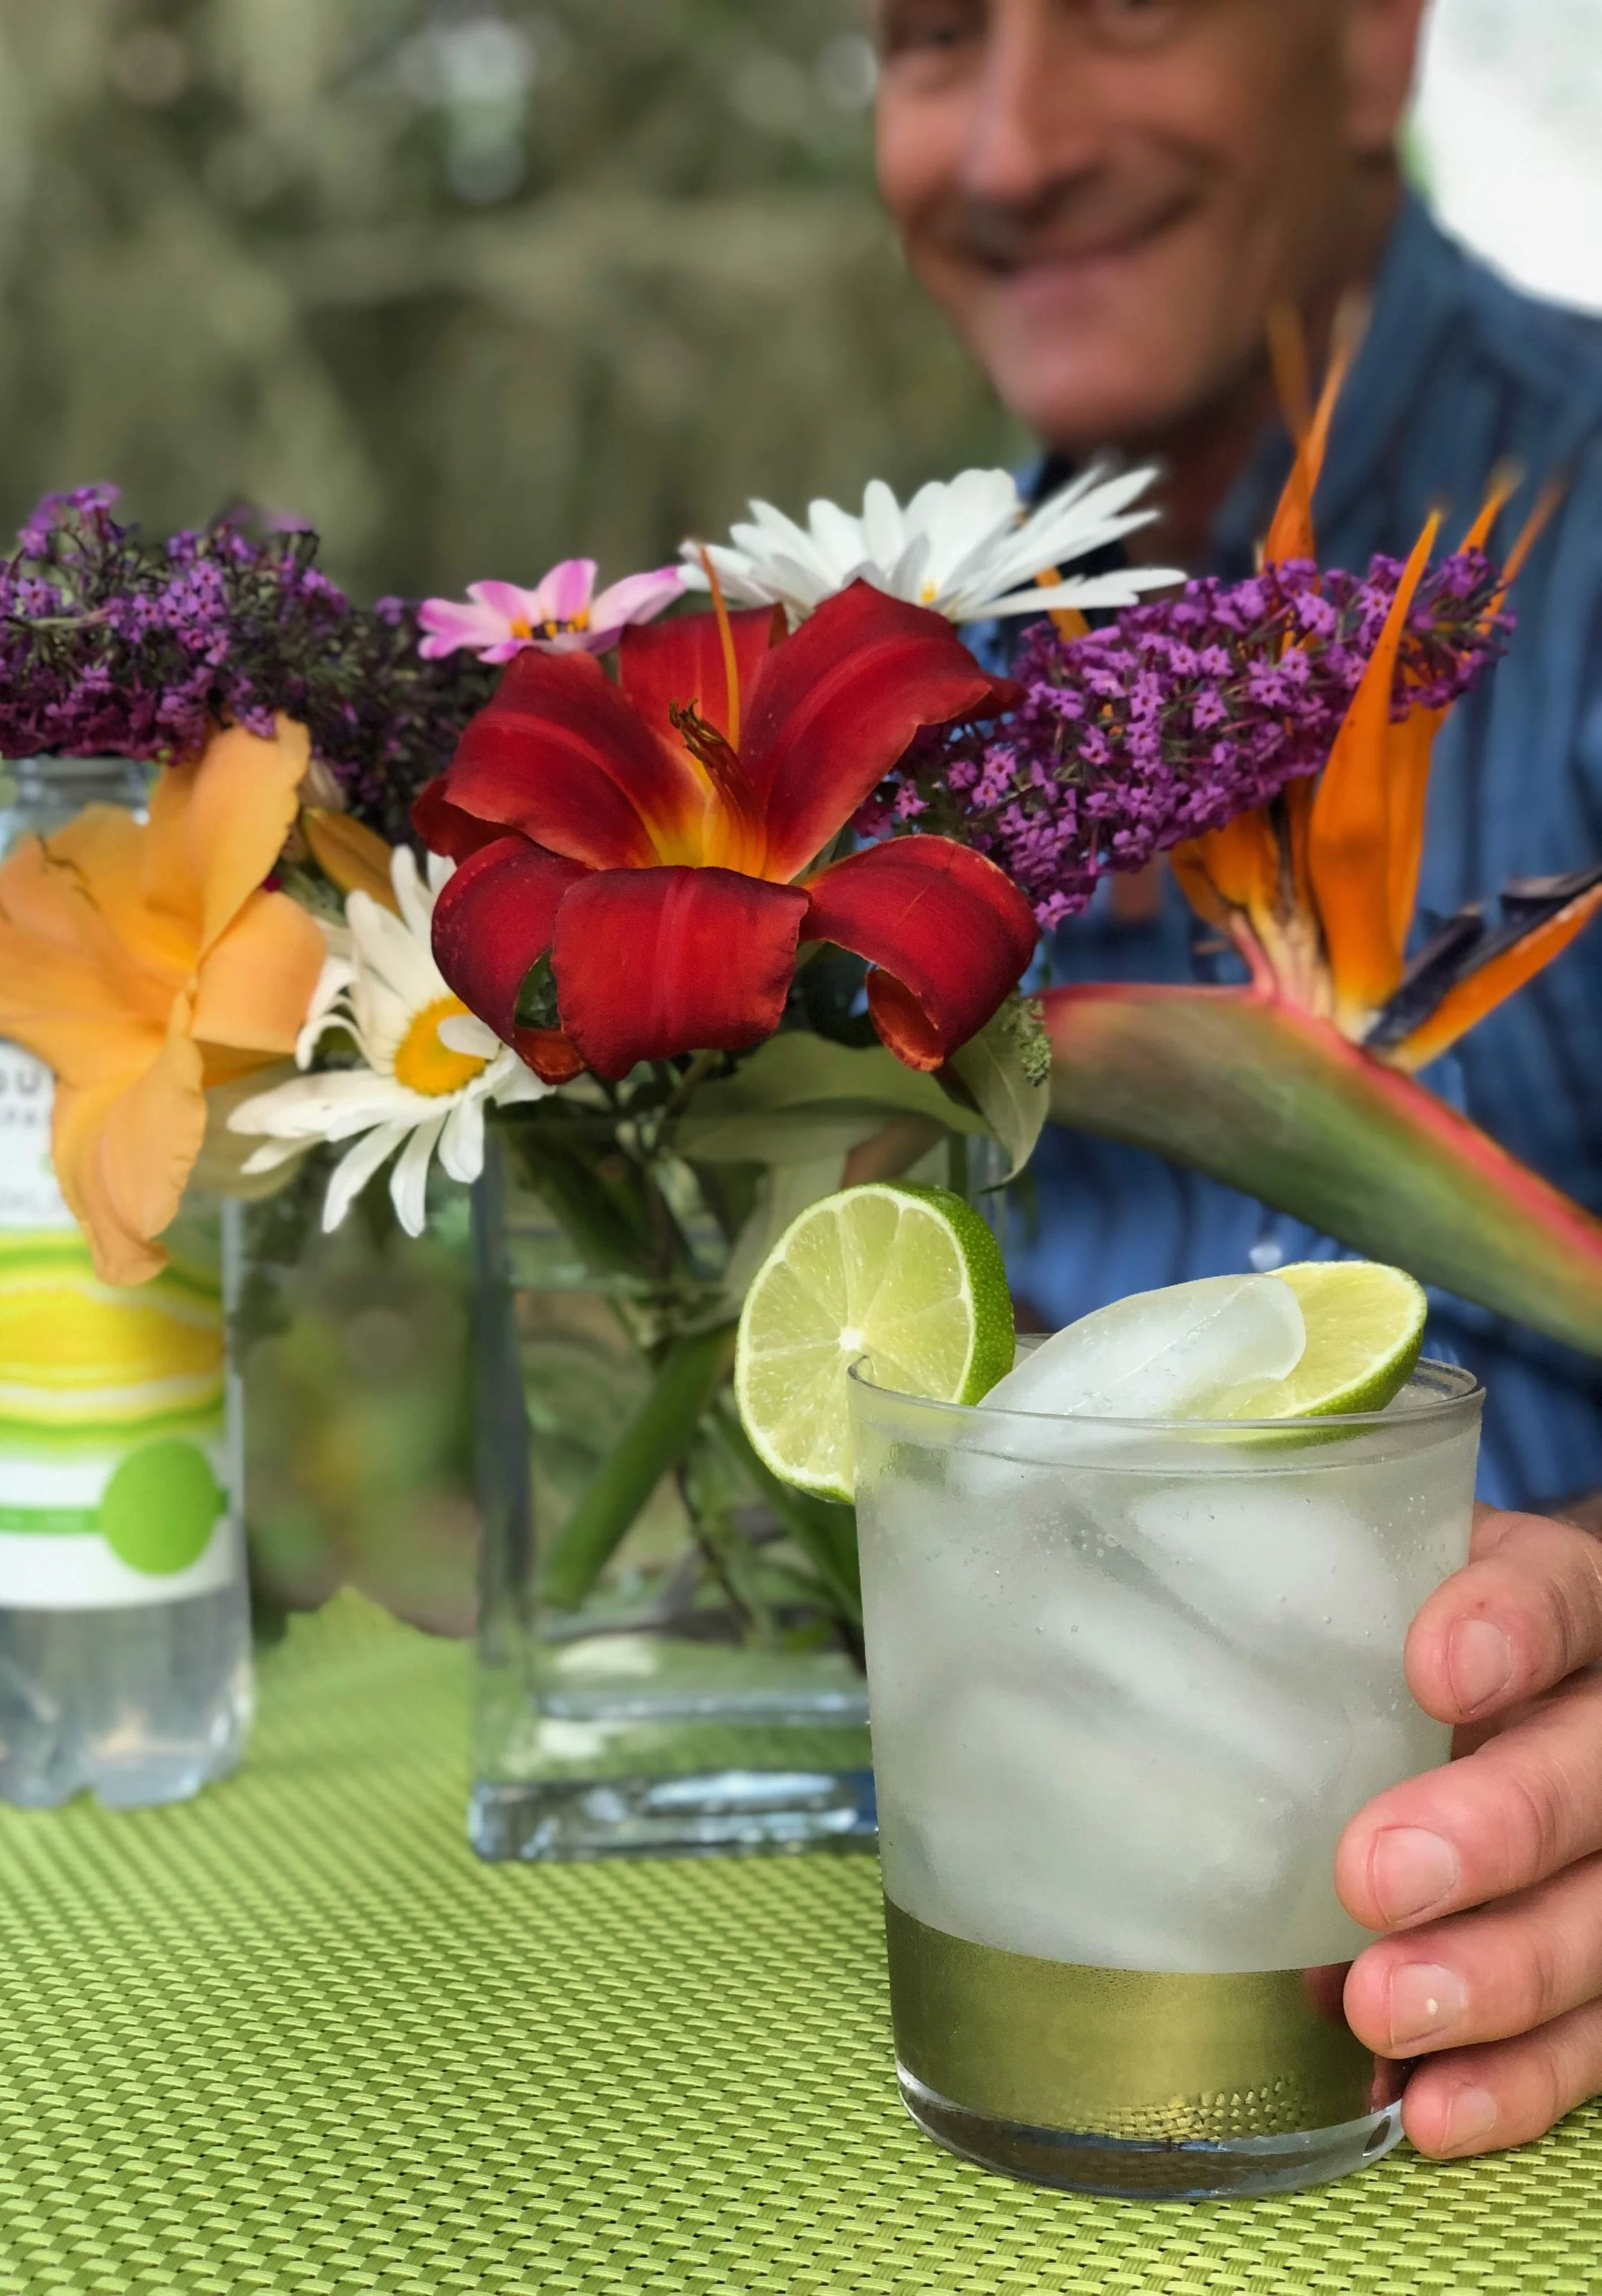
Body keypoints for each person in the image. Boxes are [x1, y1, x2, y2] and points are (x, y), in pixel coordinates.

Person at [872, 0, 1602, 2161]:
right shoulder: (907, 681)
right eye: (924, 39)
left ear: (1371, 42)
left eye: (1127, 9)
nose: (1012, 145)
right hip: (1008, 1961)